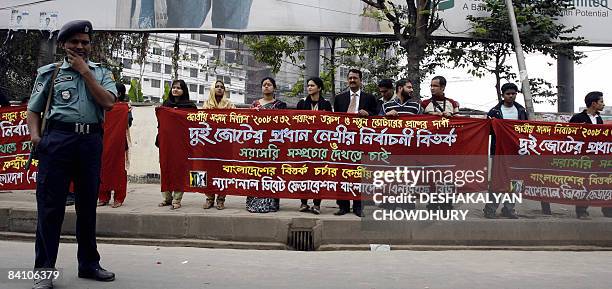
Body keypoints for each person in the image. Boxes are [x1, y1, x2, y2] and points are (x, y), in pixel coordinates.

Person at [26, 20, 117, 289]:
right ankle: (43, 272)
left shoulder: (101, 73)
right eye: (74, 42)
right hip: (57, 141)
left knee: (87, 207)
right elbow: (34, 109)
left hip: (90, 142)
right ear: (64, 44)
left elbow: (109, 103)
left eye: (85, 42)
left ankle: (89, 264)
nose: (80, 46)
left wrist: (85, 72)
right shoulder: (50, 73)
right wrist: (36, 138)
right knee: (50, 208)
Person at [332, 68, 378, 217]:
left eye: (355, 78)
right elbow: (334, 121)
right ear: (347, 80)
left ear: (360, 80)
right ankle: (343, 206)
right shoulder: (339, 98)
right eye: (350, 78)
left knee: (360, 175)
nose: (352, 80)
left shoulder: (369, 98)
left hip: (362, 142)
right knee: (342, 174)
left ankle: (359, 206)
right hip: (344, 143)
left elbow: (377, 118)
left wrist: (368, 114)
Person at [483, 83, 527, 219]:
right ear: (502, 95)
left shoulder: (521, 110)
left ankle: (509, 208)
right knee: (497, 180)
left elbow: (526, 129)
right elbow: (488, 131)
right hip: (499, 151)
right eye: (508, 94)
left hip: (517, 151)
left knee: (516, 181)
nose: (511, 96)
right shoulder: (494, 112)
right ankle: (490, 209)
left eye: (513, 93)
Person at [246, 77, 286, 213]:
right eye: (264, 85)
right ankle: (253, 203)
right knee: (256, 173)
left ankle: (271, 203)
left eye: (269, 84)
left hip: (273, 146)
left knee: (272, 173)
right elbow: (249, 123)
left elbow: (283, 124)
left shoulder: (280, 105)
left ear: (274, 88)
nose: (266, 87)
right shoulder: (254, 104)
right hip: (257, 146)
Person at [569, 91, 611, 219]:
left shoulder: (598, 119)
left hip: (596, 157)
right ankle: (581, 210)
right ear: (594, 104)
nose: (603, 104)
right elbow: (569, 135)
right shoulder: (577, 118)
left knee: (603, 181)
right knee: (583, 183)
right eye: (601, 102)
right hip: (582, 158)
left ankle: (607, 208)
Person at [157, 79, 197, 210]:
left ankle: (177, 199)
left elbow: (194, 124)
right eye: (174, 87)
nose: (175, 90)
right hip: (166, 142)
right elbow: (160, 124)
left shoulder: (190, 106)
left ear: (184, 90)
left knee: (179, 170)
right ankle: (167, 198)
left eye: (179, 88)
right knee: (165, 168)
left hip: (182, 144)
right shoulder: (166, 105)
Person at [296, 77, 332, 215]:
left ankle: (317, 205)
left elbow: (330, 124)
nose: (309, 88)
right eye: (308, 85)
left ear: (319, 88)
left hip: (320, 146)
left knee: (319, 175)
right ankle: (303, 203)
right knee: (303, 174)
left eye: (312, 85)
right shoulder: (302, 103)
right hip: (304, 145)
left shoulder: (326, 104)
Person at [422, 76, 459, 211]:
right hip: (431, 146)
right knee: (431, 175)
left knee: (448, 175)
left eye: (435, 86)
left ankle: (446, 203)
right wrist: (433, 115)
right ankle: (432, 203)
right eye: (431, 85)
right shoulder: (424, 104)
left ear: (443, 88)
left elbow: (459, 123)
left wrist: (451, 117)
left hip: (448, 145)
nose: (432, 88)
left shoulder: (452, 103)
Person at [202, 80, 235, 210]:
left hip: (225, 144)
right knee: (208, 171)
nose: (220, 89)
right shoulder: (206, 104)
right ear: (212, 89)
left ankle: (221, 199)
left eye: (222, 87)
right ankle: (209, 198)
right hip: (209, 144)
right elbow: (202, 122)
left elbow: (235, 121)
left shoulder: (230, 104)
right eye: (217, 87)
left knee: (223, 172)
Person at [98, 83, 131, 208]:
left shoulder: (124, 108)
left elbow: (128, 124)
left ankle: (119, 197)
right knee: (102, 168)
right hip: (102, 142)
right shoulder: (101, 107)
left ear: (119, 94)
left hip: (118, 144)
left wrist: (126, 112)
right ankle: (103, 196)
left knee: (118, 169)